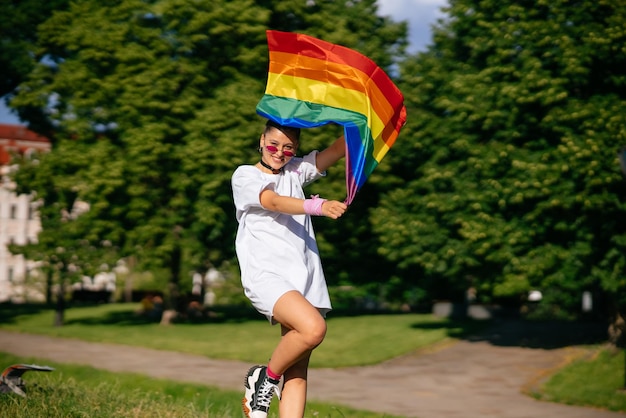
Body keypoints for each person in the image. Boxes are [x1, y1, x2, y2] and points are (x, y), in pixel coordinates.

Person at [232, 119, 347, 418]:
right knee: (313, 329)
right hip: (268, 275)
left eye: (288, 148)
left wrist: (362, 122)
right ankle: (265, 377)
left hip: (305, 276)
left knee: (297, 370)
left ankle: (270, 382)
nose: (279, 152)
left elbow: (338, 149)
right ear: (261, 141)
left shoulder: (295, 171)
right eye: (273, 145)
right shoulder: (245, 176)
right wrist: (316, 206)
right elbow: (273, 201)